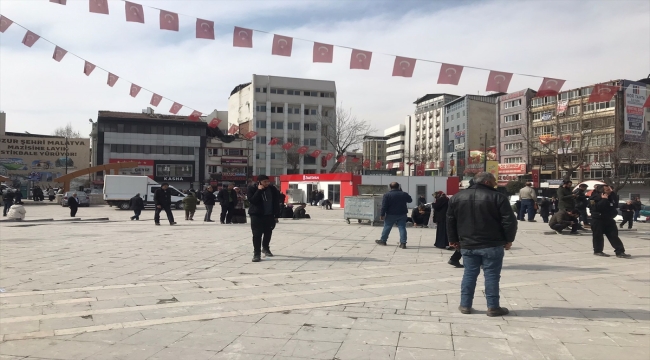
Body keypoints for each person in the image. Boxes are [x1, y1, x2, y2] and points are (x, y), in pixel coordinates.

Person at [447, 172, 517, 317]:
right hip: (492, 243)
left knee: (469, 274)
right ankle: (493, 307)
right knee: (491, 275)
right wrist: (509, 239)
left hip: (467, 244)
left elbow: (450, 220)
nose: (495, 183)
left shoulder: (457, 197)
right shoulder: (498, 197)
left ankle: (465, 305)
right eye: (494, 181)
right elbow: (509, 221)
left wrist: (453, 239)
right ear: (486, 182)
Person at [589, 184, 630, 258]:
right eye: (607, 190)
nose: (610, 191)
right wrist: (603, 200)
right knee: (598, 236)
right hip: (598, 220)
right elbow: (595, 208)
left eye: (610, 189)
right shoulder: (593, 198)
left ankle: (620, 251)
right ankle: (598, 251)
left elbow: (614, 206)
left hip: (609, 219)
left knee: (613, 235)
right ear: (602, 191)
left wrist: (614, 214)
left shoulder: (611, 196)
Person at [247, 175, 280, 262]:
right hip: (256, 215)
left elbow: (276, 202)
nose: (267, 183)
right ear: (259, 182)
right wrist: (259, 190)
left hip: (269, 215)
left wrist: (276, 215)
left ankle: (265, 248)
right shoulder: (252, 188)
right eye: (265, 182)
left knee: (268, 233)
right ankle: (256, 253)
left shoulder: (272, 189)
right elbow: (252, 200)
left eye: (268, 182)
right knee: (257, 234)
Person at [375, 182, 412, 249]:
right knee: (402, 228)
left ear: (390, 187)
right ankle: (403, 243)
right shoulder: (404, 194)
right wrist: (402, 192)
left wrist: (382, 214)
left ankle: (383, 240)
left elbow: (384, 206)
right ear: (398, 187)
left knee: (387, 227)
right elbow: (410, 200)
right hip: (402, 214)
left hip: (390, 214)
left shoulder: (387, 195)